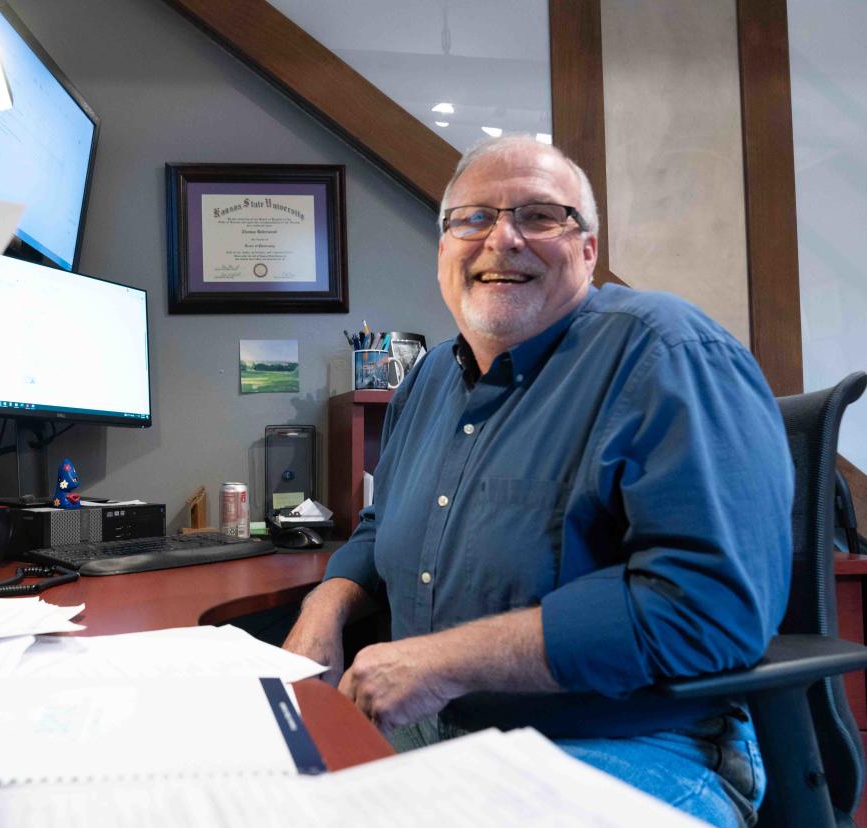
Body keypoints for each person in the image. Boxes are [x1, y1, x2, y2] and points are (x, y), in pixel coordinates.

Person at [283, 135, 792, 827]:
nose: (504, 239)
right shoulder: (429, 379)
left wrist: (444, 662)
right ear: (442, 251)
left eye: (541, 216)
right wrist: (328, 604)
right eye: (473, 218)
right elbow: (382, 524)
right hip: (436, 736)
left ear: (587, 250)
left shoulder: (667, 351)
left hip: (628, 741)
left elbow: (709, 603)